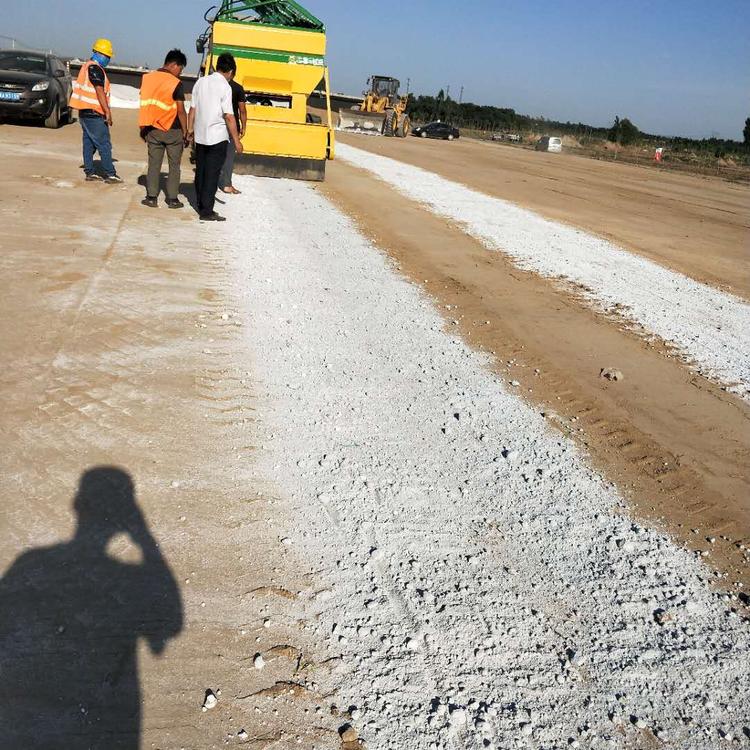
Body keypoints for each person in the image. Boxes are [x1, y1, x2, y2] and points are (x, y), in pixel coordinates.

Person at [0, 467, 182, 748]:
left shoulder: (30, 563)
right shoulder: (131, 580)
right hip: (109, 726)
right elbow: (171, 624)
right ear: (126, 517)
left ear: (76, 507)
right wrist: (144, 537)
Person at [187, 53, 243, 221]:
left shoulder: (201, 82)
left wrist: (190, 130)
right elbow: (229, 116)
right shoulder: (225, 87)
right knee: (212, 173)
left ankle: (200, 203)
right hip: (217, 136)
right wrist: (237, 140)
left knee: (201, 171)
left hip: (201, 135)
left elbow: (193, 109)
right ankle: (207, 211)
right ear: (231, 71)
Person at [138, 49, 188, 209]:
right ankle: (172, 199)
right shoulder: (175, 83)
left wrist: (143, 127)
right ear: (174, 65)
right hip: (173, 131)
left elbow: (145, 103)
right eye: (180, 69)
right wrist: (186, 131)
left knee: (153, 164)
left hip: (152, 129)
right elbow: (180, 110)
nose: (180, 73)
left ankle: (151, 197)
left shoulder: (148, 78)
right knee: (174, 166)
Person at [69, 38, 123, 184]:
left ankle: (90, 172)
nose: (108, 59)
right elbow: (99, 91)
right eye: (107, 56)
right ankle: (110, 173)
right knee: (104, 144)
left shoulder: (86, 66)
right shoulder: (95, 68)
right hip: (94, 113)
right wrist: (107, 112)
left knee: (89, 143)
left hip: (84, 112)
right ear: (99, 53)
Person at [218, 64, 247, 195]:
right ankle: (226, 184)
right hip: (231, 126)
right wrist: (244, 127)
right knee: (229, 157)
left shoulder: (215, 86)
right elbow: (242, 110)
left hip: (217, 124)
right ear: (232, 73)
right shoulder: (238, 88)